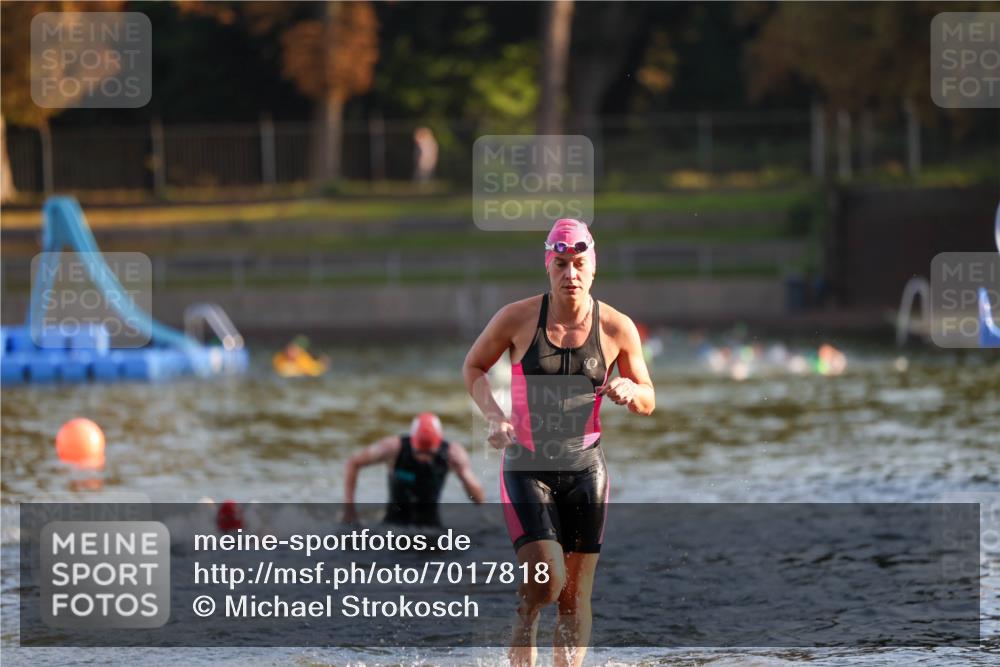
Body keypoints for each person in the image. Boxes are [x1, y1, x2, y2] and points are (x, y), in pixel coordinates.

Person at [462, 218, 655, 667]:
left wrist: (632, 392)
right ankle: (525, 618)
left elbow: (649, 397)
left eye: (579, 264)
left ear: (593, 268)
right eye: (561, 264)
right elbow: (473, 367)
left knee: (575, 595)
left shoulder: (616, 328)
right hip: (527, 465)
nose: (571, 274)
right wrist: (494, 416)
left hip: (586, 468)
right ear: (549, 267)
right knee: (546, 582)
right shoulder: (517, 318)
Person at [342, 412, 485, 526]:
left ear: (439, 444)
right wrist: (349, 509)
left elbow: (479, 500)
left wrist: (463, 474)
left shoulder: (453, 454)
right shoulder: (393, 448)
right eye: (419, 452)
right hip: (393, 526)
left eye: (429, 453)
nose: (423, 458)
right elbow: (353, 463)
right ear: (412, 441)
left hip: (430, 527)